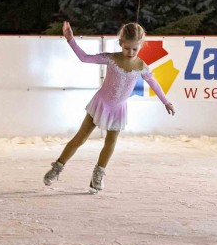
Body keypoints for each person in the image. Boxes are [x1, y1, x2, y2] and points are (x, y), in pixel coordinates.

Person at [44, 21, 175, 191]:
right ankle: (57, 167)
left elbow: (154, 84)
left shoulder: (141, 66)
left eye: (135, 49)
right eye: (127, 48)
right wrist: (70, 39)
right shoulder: (111, 59)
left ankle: (98, 174)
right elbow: (85, 58)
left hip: (118, 109)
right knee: (80, 138)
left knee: (111, 142)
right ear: (121, 43)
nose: (130, 52)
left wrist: (166, 101)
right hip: (101, 104)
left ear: (140, 46)